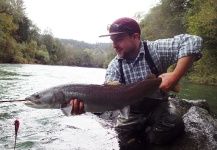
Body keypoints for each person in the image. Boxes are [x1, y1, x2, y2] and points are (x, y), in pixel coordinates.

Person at [69, 17, 203, 149]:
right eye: (112, 41)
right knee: (118, 136)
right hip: (130, 111)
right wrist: (86, 107)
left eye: (119, 39)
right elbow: (107, 96)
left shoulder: (155, 49)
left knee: (174, 123)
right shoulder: (115, 66)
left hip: (159, 106)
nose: (114, 45)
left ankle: (147, 140)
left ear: (135, 37)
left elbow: (192, 41)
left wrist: (175, 76)